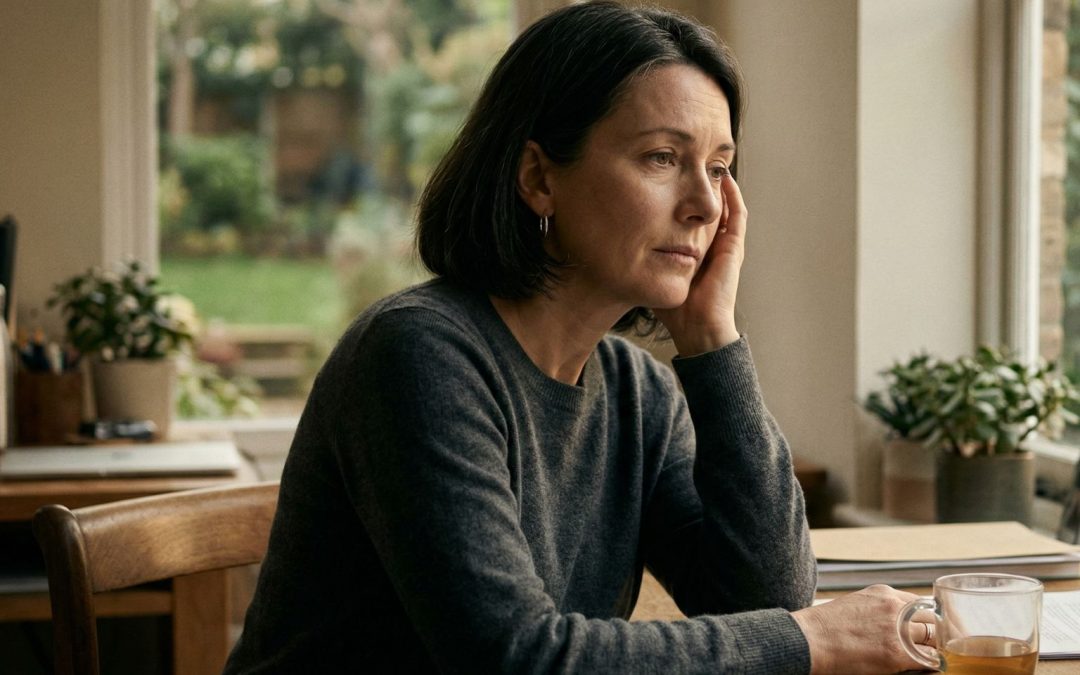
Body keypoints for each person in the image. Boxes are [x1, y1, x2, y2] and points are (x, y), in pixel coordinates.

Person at [225, 3, 931, 673]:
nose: (706, 204)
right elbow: (516, 658)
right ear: (538, 177)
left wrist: (713, 342)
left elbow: (768, 599)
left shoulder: (639, 391)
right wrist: (809, 641)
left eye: (719, 168)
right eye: (662, 157)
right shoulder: (417, 355)